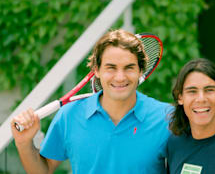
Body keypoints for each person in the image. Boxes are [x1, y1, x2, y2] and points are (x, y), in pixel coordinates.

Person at [11, 29, 173, 173]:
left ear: (140, 71)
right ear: (96, 70)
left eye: (129, 67)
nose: (120, 77)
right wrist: (24, 143)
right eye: (111, 67)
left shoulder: (167, 118)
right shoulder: (69, 116)